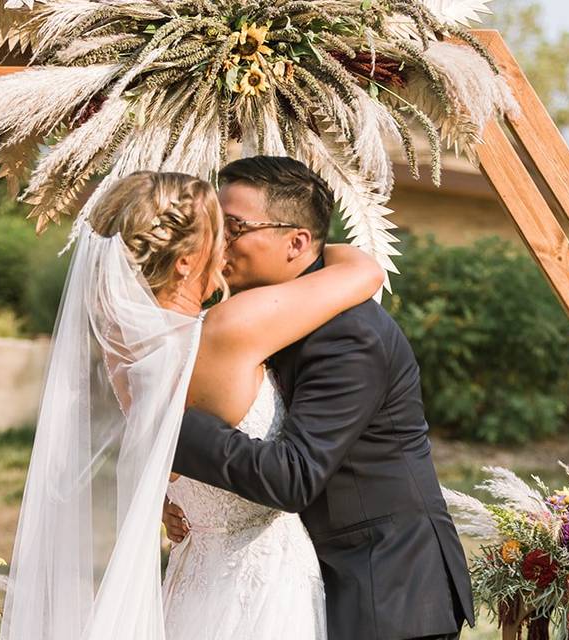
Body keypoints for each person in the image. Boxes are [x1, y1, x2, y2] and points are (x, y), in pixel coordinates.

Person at [0, 169, 384, 640]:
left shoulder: (123, 358)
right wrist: (320, 242)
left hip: (188, 581)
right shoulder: (228, 330)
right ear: (184, 263)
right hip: (265, 583)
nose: (226, 249)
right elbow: (364, 272)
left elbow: (159, 458)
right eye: (219, 233)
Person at [165, 156, 475, 640]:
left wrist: (164, 428)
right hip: (291, 583)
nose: (216, 242)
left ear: (297, 242)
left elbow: (294, 477)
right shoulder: (275, 315)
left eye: (235, 227)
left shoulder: (347, 333)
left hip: (382, 587)